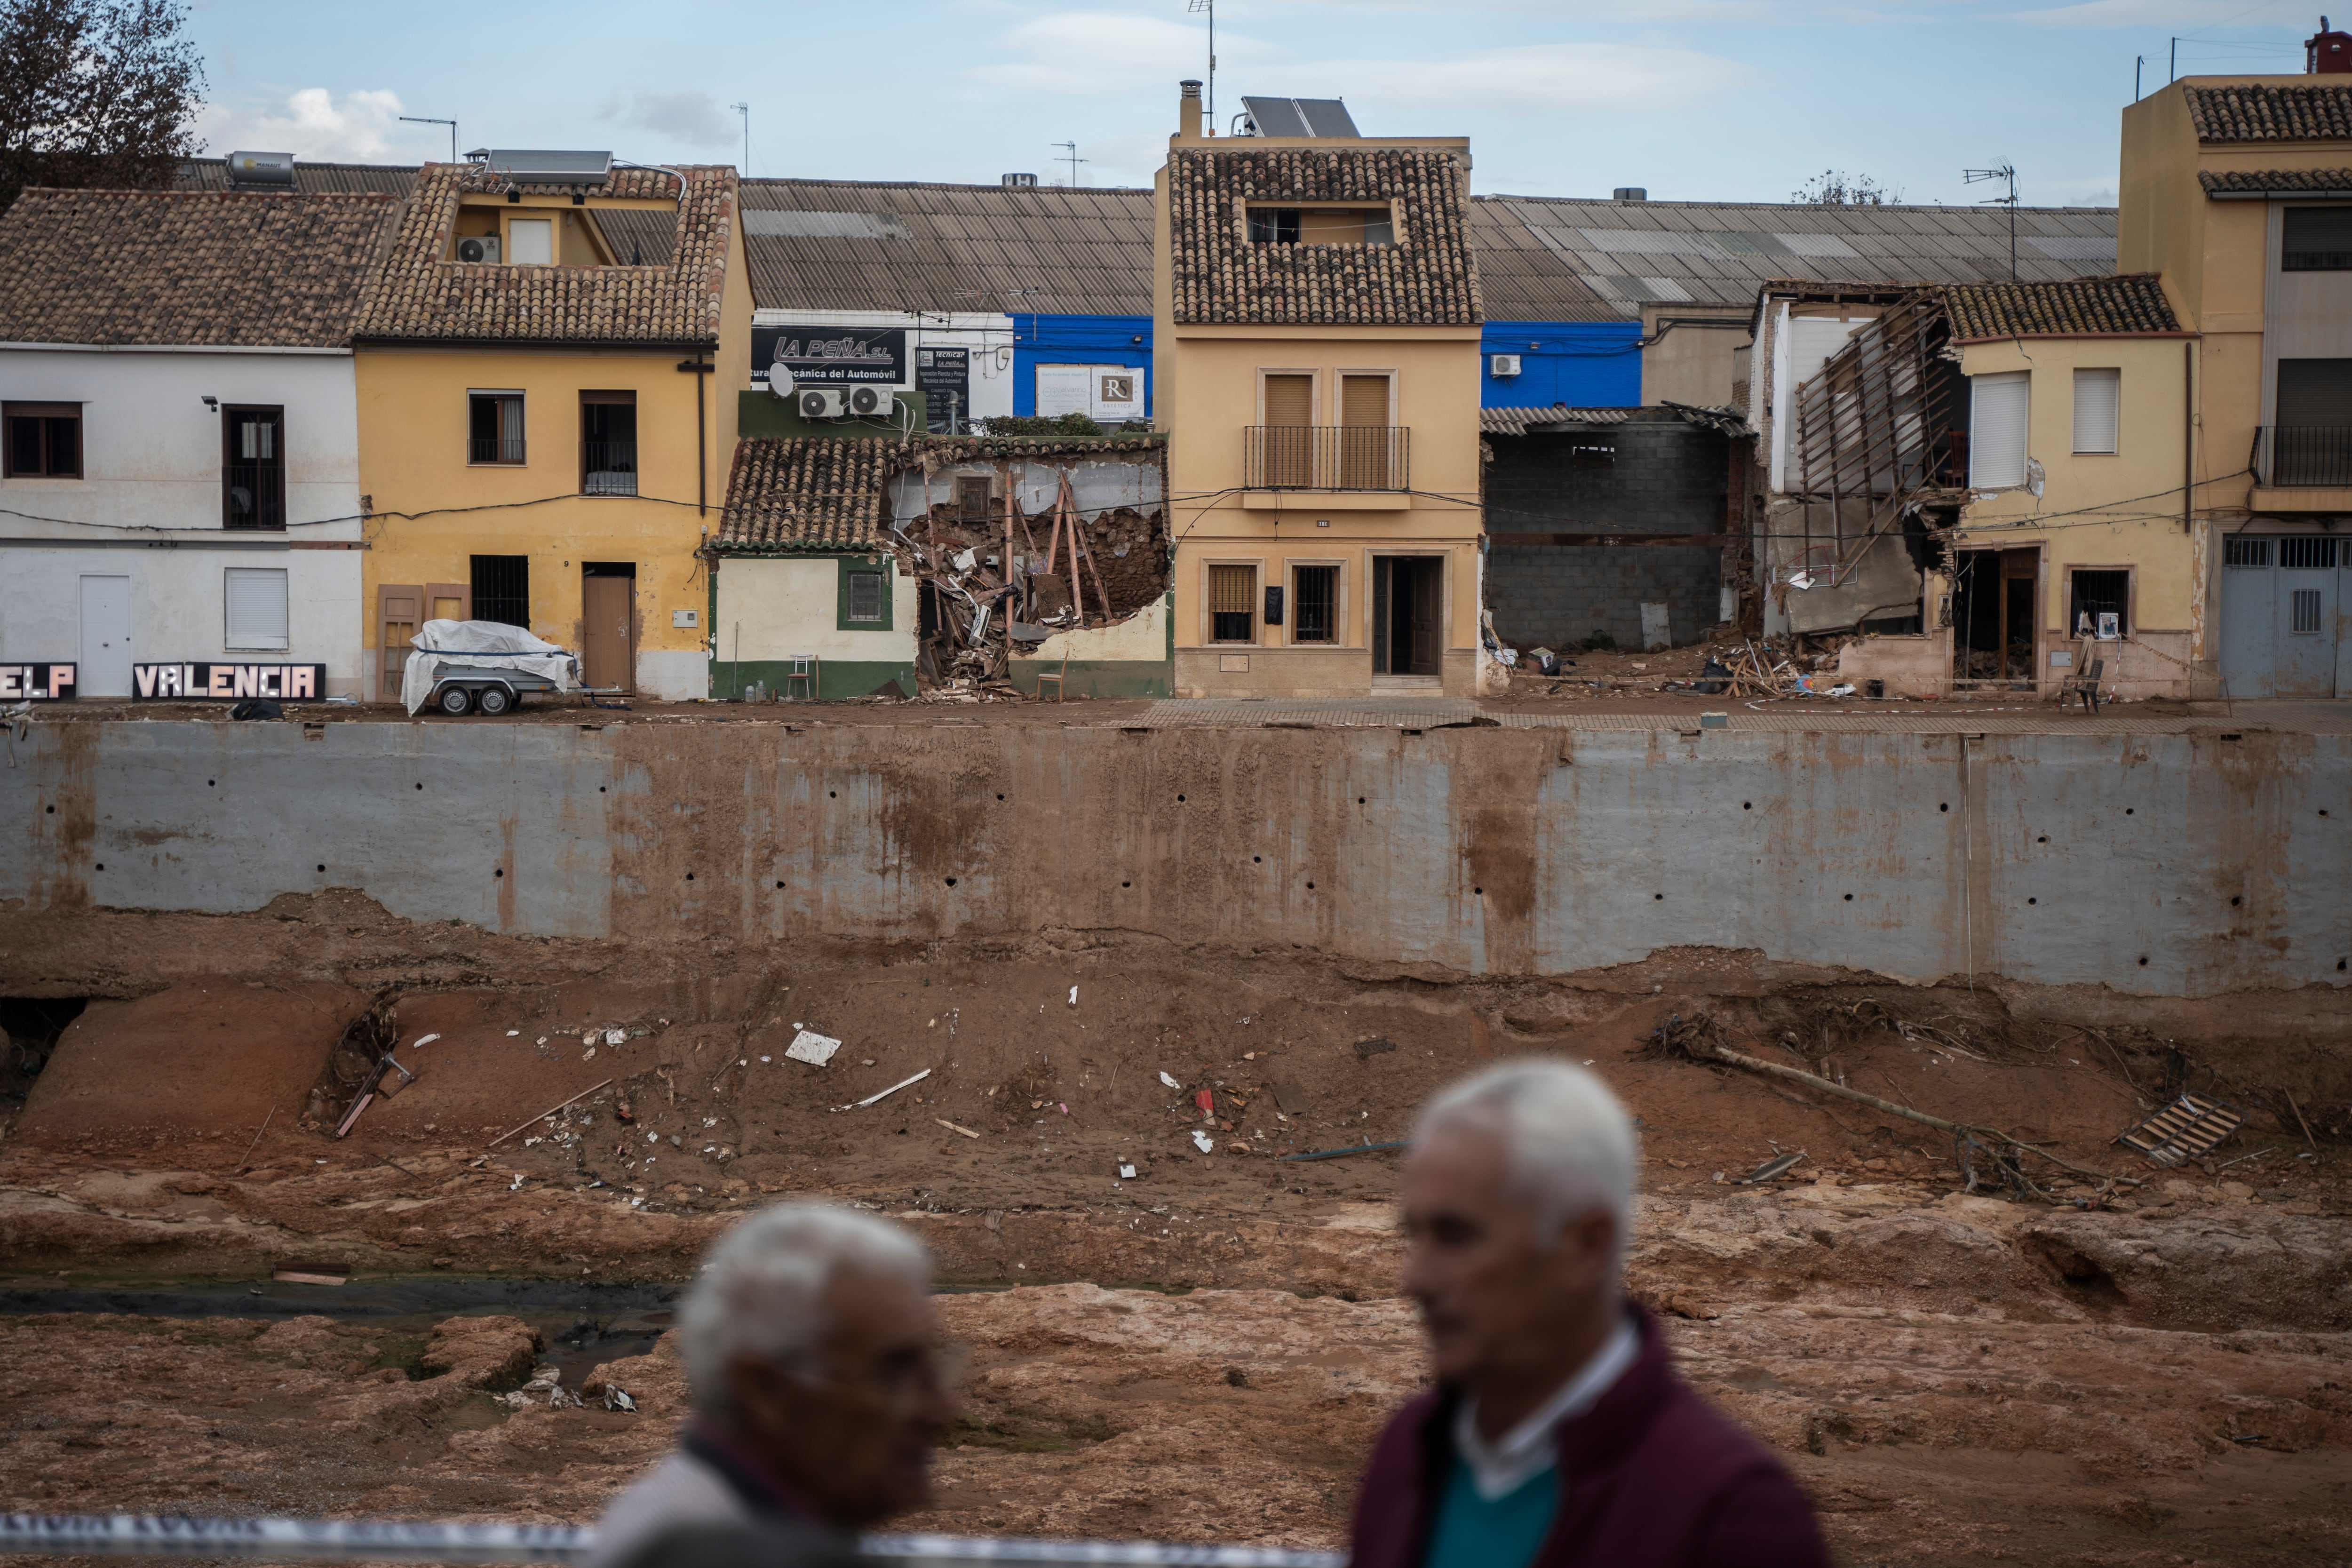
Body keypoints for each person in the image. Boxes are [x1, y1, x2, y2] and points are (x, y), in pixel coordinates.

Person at [1350, 1062, 1828, 1568]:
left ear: (1585, 1246)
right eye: (1413, 1235)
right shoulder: (1408, 1453)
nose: (1413, 1280)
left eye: (1455, 1236)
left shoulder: (1733, 1518)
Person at [587, 1203, 959, 1568]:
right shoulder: (712, 1551)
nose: (942, 1408)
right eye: (893, 1371)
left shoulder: (679, 1515)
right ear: (766, 1391)